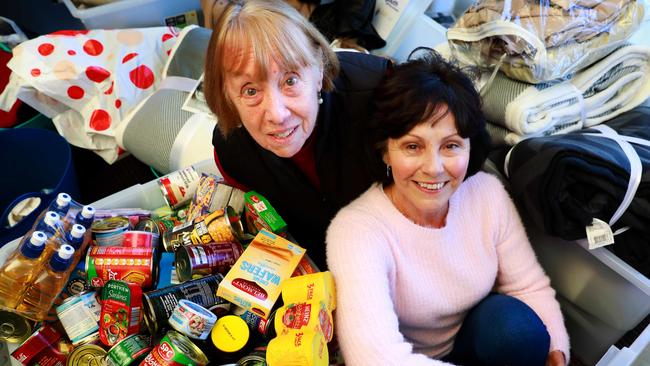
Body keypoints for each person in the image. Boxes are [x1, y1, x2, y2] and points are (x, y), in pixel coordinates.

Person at [326, 49, 569, 366]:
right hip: (404, 360)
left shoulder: (487, 193)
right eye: (413, 146)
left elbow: (528, 287)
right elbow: (377, 357)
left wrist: (558, 354)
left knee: (516, 328)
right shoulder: (356, 230)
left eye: (451, 145)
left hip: (470, 343)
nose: (434, 168)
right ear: (385, 151)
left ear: (470, 146)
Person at [203, 0, 390, 269]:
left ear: (319, 68)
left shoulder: (383, 94)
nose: (277, 115)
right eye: (250, 91)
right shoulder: (233, 153)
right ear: (227, 96)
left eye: (290, 81)